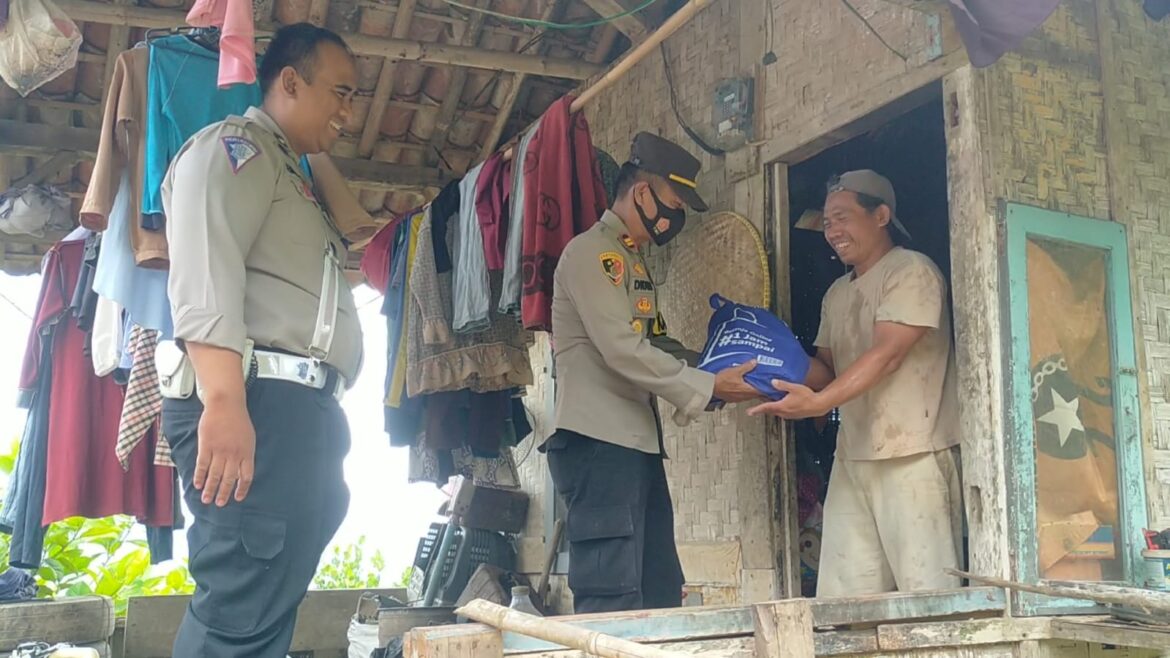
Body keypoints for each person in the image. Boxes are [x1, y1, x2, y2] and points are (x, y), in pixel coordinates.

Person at [159, 23, 364, 656]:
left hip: (291, 412)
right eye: (341, 92)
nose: (347, 113)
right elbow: (205, 261)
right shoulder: (233, 149)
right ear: (291, 82)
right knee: (239, 613)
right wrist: (223, 399)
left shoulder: (292, 178)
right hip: (251, 401)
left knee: (264, 610)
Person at [542, 132, 759, 613]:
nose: (673, 217)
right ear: (642, 193)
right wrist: (705, 385)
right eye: (673, 203)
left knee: (658, 590)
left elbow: (656, 342)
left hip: (634, 448)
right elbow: (622, 350)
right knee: (612, 600)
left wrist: (717, 371)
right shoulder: (589, 255)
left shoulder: (629, 260)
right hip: (598, 449)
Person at [748, 170, 963, 596]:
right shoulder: (836, 293)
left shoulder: (911, 271)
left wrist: (818, 404)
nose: (833, 232)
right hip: (854, 458)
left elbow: (888, 355)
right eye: (827, 222)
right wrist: (761, 362)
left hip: (913, 455)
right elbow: (825, 370)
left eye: (843, 217)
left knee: (929, 597)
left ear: (881, 215)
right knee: (845, 599)